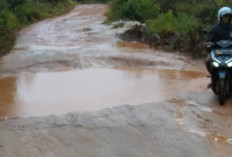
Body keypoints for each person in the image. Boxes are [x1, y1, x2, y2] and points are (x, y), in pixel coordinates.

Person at [205, 7, 232, 87]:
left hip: (230, 51)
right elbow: (210, 36)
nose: (226, 18)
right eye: (224, 16)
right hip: (217, 51)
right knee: (207, 61)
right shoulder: (215, 28)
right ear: (220, 17)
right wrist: (209, 41)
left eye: (228, 16)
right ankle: (213, 78)